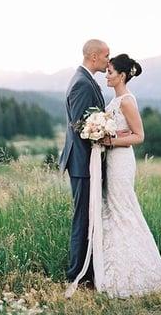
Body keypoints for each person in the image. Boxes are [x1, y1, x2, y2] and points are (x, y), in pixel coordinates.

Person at [97, 54, 161, 298]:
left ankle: (138, 271)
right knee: (114, 210)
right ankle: (116, 266)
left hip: (121, 161)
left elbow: (139, 136)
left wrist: (110, 140)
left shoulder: (127, 101)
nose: (106, 75)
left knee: (123, 210)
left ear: (122, 75)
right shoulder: (115, 99)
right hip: (111, 159)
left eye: (110, 72)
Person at [59, 39, 109, 286]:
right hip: (82, 163)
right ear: (93, 57)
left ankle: (87, 270)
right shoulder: (81, 83)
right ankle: (76, 275)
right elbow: (81, 126)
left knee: (89, 215)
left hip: (85, 162)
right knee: (83, 218)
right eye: (106, 56)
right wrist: (103, 132)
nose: (108, 61)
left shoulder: (85, 79)